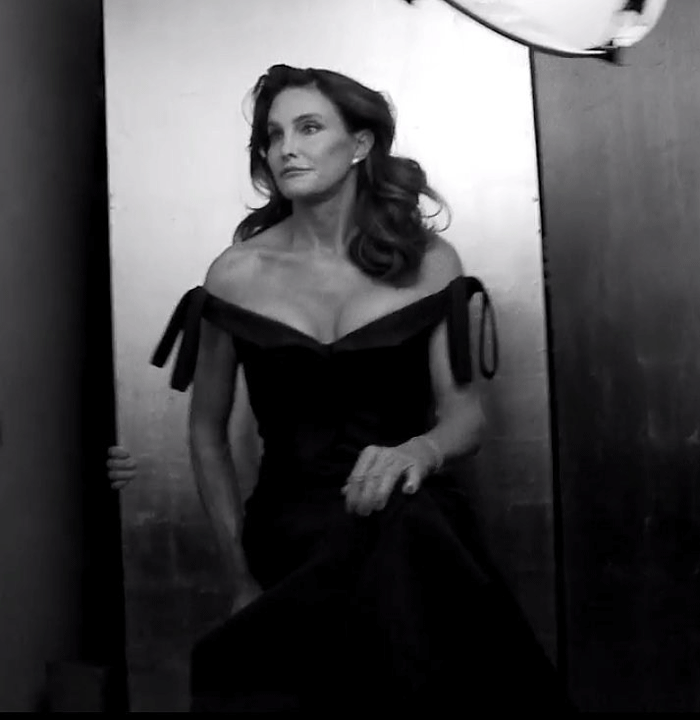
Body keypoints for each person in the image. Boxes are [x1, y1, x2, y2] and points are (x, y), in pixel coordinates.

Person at [151, 64, 575, 713]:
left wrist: (416, 452)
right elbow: (207, 431)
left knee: (409, 532)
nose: (286, 148)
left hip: (409, 516)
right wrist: (239, 576)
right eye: (273, 135)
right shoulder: (234, 274)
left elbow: (466, 419)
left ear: (359, 144)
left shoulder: (429, 261)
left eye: (308, 128)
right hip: (291, 530)